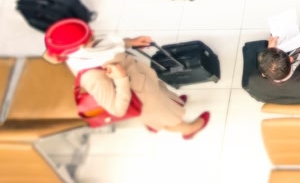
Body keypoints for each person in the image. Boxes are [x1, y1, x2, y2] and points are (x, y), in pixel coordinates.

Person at [42, 19, 210, 139]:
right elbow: (117, 109)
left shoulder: (86, 53)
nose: (93, 36)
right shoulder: (92, 77)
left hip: (144, 84)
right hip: (143, 101)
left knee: (163, 96)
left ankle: (171, 104)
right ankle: (188, 129)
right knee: (170, 119)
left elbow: (104, 46)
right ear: (78, 48)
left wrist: (130, 42)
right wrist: (121, 78)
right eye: (89, 38)